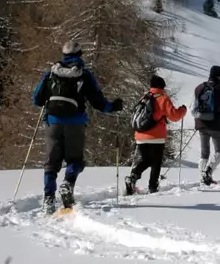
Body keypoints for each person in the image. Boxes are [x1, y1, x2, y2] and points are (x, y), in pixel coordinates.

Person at [32, 41, 123, 214]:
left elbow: (36, 99)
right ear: (80, 54)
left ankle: (48, 198)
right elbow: (98, 102)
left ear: (63, 55)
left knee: (51, 162)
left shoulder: (50, 73)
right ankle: (68, 183)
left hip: (53, 123)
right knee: (75, 160)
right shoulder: (84, 75)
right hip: (75, 122)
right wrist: (113, 107)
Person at [125, 75, 187, 195]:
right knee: (156, 162)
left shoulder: (144, 97)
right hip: (156, 137)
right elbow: (174, 116)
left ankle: (133, 176)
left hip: (140, 136)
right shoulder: (163, 98)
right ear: (162, 86)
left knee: (146, 160)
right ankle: (153, 187)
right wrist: (183, 110)